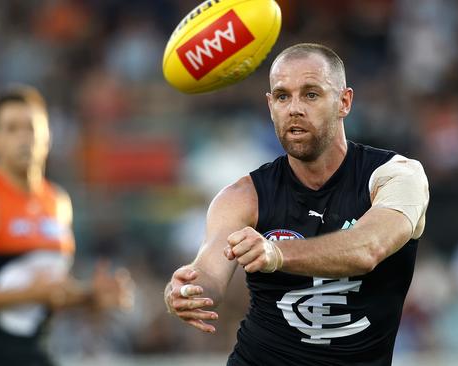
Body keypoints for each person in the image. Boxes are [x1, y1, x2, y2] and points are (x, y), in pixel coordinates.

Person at [165, 43, 429, 365]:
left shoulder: (396, 177)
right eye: (282, 96)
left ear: (344, 102)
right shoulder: (243, 196)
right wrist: (188, 290)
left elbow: (368, 247)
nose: (294, 108)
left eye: (311, 94)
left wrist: (275, 253)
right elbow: (209, 272)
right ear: (270, 105)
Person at [0, 86, 133, 366]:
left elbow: (51, 289)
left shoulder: (58, 202)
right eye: (12, 128)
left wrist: (90, 295)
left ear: (48, 136)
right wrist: (27, 295)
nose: (24, 137)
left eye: (31, 127)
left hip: (40, 352)